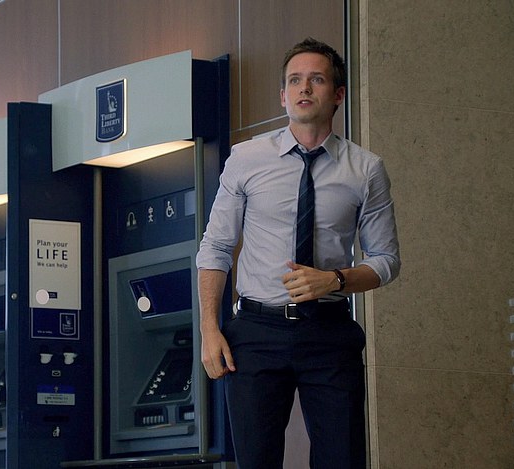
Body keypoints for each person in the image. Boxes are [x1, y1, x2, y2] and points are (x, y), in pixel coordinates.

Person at [196, 37, 400, 468]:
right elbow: (216, 247)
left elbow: (385, 259)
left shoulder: (365, 169)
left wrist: (336, 280)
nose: (304, 88)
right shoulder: (246, 159)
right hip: (255, 332)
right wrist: (209, 330)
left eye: (316, 79)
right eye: (294, 80)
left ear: (338, 94)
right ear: (283, 96)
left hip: (329, 333)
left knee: (342, 460)